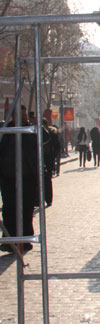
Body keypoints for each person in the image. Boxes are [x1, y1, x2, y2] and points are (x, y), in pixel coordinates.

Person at [0, 106, 39, 252]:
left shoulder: (31, 130)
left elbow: (39, 149)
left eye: (23, 115)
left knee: (26, 209)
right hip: (8, 177)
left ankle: (25, 239)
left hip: (27, 177)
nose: (22, 117)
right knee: (9, 209)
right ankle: (10, 240)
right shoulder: (5, 130)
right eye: (19, 114)